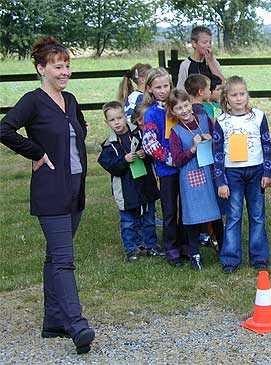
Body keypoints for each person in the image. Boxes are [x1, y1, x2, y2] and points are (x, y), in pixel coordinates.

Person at [0, 37, 95, 354]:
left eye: (67, 65)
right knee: (64, 261)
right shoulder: (33, 101)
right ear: (41, 69)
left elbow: (80, 127)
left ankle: (53, 320)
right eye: (58, 66)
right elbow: (5, 129)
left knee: (55, 257)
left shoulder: (70, 101)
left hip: (75, 188)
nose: (64, 71)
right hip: (51, 191)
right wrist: (36, 152)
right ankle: (76, 325)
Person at [213, 76, 271, 274]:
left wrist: (267, 171)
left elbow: (267, 144)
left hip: (256, 171)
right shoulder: (221, 121)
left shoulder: (258, 116)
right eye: (234, 95)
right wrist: (221, 181)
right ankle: (230, 257)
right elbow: (218, 153)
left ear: (247, 94)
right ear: (226, 98)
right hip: (232, 173)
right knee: (234, 215)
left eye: (242, 94)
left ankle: (259, 256)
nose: (239, 98)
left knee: (257, 215)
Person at [97, 101, 162, 262]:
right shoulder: (109, 145)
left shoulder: (140, 134)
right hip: (126, 189)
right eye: (112, 120)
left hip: (145, 184)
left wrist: (145, 154)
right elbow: (110, 165)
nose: (117, 122)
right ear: (107, 122)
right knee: (128, 221)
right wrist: (124, 159)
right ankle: (131, 249)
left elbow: (153, 153)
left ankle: (151, 246)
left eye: (119, 118)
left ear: (126, 117)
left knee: (149, 218)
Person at [168, 89, 224, 270]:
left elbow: (219, 139)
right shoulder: (176, 132)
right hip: (191, 177)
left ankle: (224, 250)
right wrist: (192, 149)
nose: (184, 110)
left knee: (215, 213)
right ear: (172, 111)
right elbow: (177, 160)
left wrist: (212, 139)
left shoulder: (203, 119)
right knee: (193, 215)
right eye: (178, 108)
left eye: (185, 105)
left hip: (210, 173)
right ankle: (195, 254)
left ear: (191, 104)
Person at [141, 67, 189, 266]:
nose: (163, 90)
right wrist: (171, 158)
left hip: (186, 167)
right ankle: (171, 249)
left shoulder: (178, 108)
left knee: (186, 208)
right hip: (167, 169)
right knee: (169, 211)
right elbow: (149, 144)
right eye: (158, 87)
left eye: (166, 86)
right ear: (150, 89)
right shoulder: (151, 114)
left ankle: (187, 245)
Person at [176, 26, 224, 90]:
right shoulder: (185, 65)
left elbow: (224, 85)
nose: (208, 45)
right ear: (194, 44)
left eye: (210, 42)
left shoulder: (214, 62)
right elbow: (181, 90)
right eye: (204, 42)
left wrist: (210, 62)